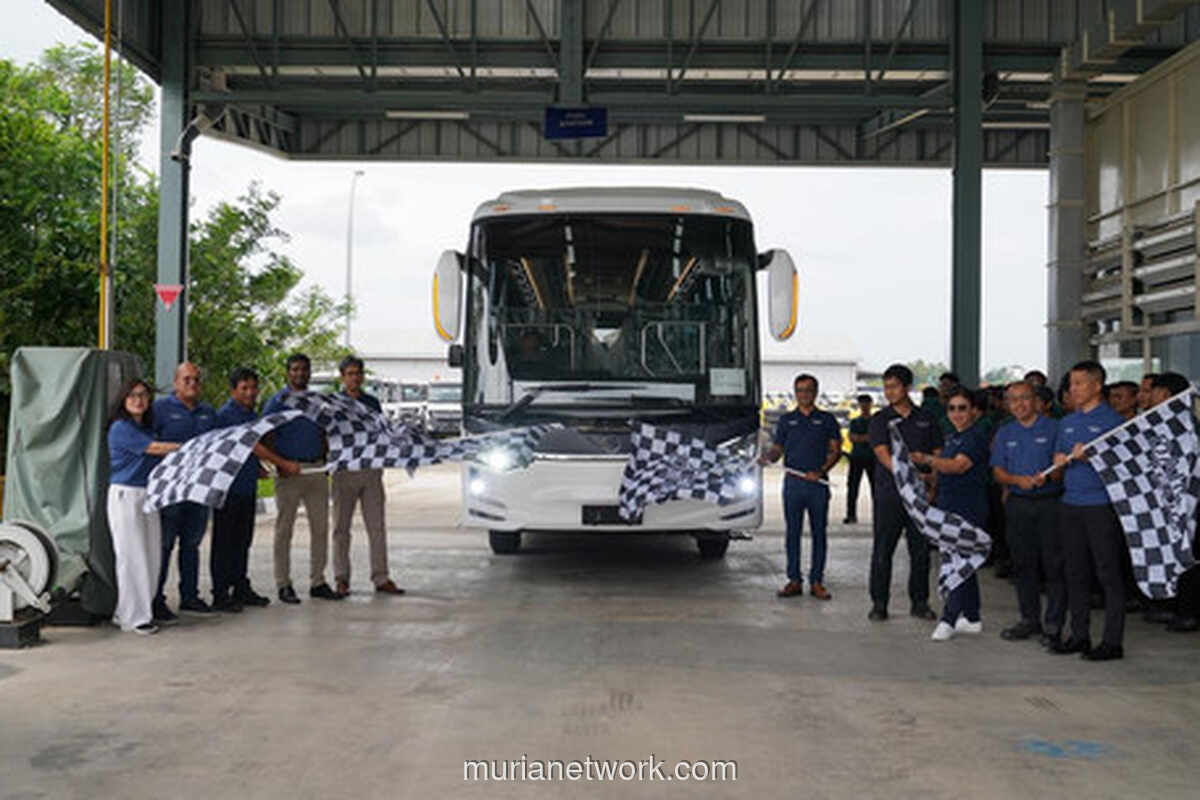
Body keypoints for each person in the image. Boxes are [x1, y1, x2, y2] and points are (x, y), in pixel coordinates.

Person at [1050, 360, 1128, 661]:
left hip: (1101, 506)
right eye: (1071, 384)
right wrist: (1059, 463)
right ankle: (1079, 635)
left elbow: (1124, 467)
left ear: (1097, 385)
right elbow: (1058, 472)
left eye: (1080, 383)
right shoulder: (1067, 422)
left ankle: (1112, 641)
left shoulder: (1113, 421)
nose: (1074, 389)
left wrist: (1093, 458)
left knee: (1108, 572)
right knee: (1075, 571)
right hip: (1071, 503)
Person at [211, 367, 301, 612]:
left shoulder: (251, 414)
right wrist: (282, 463)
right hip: (227, 489)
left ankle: (240, 587)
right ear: (233, 391)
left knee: (243, 541)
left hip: (247, 486)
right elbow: (252, 446)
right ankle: (220, 593)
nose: (251, 393)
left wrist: (259, 469)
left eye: (253, 388)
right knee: (224, 543)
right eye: (244, 388)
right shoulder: (228, 414)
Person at [910, 387, 989, 640]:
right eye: (952, 408)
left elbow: (958, 466)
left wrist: (928, 460)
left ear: (974, 411)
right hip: (949, 504)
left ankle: (949, 618)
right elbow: (944, 470)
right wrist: (922, 475)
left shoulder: (975, 437)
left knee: (957, 564)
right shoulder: (953, 437)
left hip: (968, 508)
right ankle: (972, 617)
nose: (957, 413)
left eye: (962, 408)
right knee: (962, 562)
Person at [262, 353, 342, 604]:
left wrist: (327, 460)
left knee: (320, 529)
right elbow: (265, 434)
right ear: (288, 373)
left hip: (316, 470)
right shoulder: (277, 401)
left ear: (309, 372)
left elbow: (325, 431)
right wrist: (278, 463)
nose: (299, 373)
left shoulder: (317, 401)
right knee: (284, 530)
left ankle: (318, 581)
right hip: (289, 473)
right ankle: (283, 583)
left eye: (304, 369)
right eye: (295, 369)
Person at [990, 381, 1065, 645]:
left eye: (1024, 398)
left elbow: (1061, 469)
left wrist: (1053, 474)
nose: (1019, 404)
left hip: (1050, 504)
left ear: (1036, 400)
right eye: (1013, 400)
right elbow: (998, 471)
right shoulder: (1005, 432)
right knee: (1023, 565)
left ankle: (1054, 625)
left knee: (1054, 566)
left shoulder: (1055, 428)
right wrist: (1016, 480)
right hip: (1019, 504)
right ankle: (1029, 620)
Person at [867, 364, 942, 621]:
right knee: (882, 551)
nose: (889, 392)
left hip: (920, 497)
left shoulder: (927, 419)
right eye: (885, 387)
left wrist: (933, 484)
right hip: (891, 495)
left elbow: (938, 455)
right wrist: (910, 475)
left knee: (920, 552)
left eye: (894, 386)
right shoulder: (880, 420)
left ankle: (920, 603)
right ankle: (879, 604)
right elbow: (883, 456)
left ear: (908, 388)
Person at [759, 374, 842, 600]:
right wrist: (768, 457)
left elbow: (836, 450)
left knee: (819, 534)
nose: (803, 394)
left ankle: (817, 581)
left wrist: (821, 471)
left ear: (815, 392)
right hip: (793, 484)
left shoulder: (826, 420)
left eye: (807, 390)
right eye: (799, 390)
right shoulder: (787, 420)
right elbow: (778, 449)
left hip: (817, 486)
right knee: (792, 533)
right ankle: (794, 580)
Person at [107, 379, 180, 634]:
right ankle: (134, 618)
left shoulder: (145, 428)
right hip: (126, 495)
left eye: (143, 395)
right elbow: (156, 449)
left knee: (150, 556)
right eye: (132, 396)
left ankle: (134, 611)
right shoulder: (120, 428)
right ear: (123, 401)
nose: (138, 400)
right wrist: (187, 447)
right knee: (132, 557)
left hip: (148, 495)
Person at [330, 355, 405, 597]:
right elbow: (328, 434)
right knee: (341, 528)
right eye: (350, 374)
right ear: (342, 377)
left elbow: (381, 432)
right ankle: (341, 579)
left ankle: (381, 577)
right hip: (344, 471)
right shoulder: (334, 404)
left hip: (371, 471)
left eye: (358, 373)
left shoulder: (372, 402)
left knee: (376, 526)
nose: (355, 378)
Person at [152, 362, 217, 622]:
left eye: (196, 380)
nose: (192, 384)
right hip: (170, 491)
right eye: (187, 379)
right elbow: (150, 444)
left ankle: (189, 596)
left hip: (198, 490)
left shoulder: (208, 413)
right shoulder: (159, 410)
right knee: (164, 545)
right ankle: (156, 598)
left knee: (191, 545)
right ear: (176, 382)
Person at [1144, 372, 1199, 632]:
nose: (1147, 397)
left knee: (1186, 553)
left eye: (1151, 391)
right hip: (1173, 503)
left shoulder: (1179, 426)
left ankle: (1187, 611)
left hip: (1187, 504)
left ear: (1164, 395)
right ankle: (1174, 606)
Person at [843, 394, 876, 524]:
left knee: (875, 488)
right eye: (862, 404)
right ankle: (851, 514)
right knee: (852, 487)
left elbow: (874, 438)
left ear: (870, 404)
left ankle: (878, 515)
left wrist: (861, 438)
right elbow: (852, 438)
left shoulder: (875, 421)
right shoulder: (855, 421)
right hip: (856, 457)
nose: (864, 406)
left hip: (872, 458)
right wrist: (867, 438)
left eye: (866, 403)